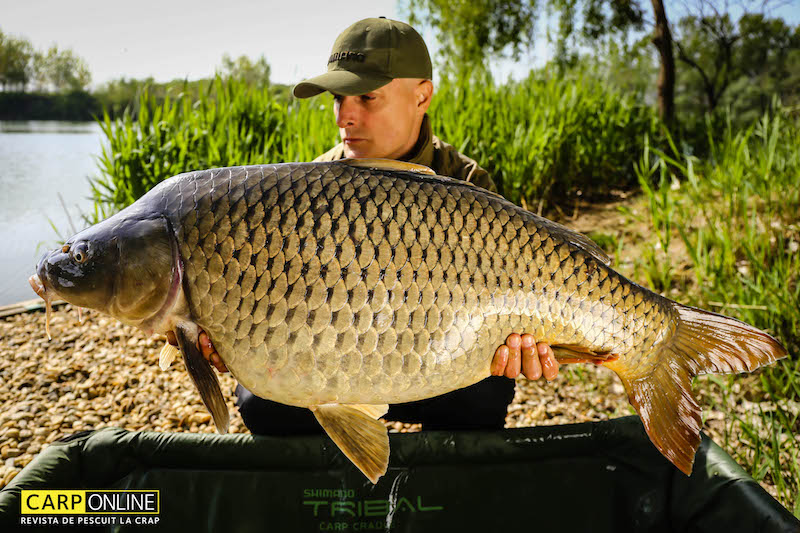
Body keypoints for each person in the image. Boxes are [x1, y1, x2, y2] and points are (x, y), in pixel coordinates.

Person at [194, 17, 559, 434]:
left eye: (367, 97)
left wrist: (526, 345)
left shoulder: (468, 184)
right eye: (337, 99)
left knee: (487, 390)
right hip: (337, 365)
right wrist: (228, 334)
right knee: (261, 400)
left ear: (422, 97)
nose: (344, 117)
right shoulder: (310, 188)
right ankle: (331, 490)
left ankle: (443, 491)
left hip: (438, 366)